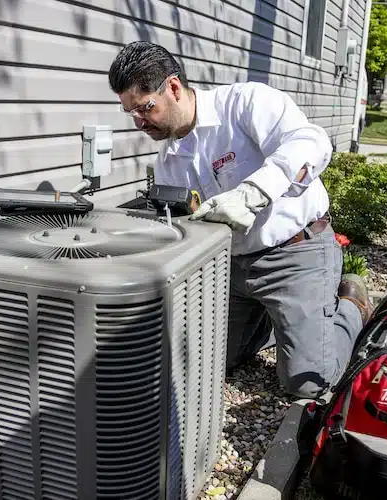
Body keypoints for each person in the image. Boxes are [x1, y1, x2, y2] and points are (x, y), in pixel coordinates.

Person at [107, 41, 373, 400]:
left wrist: (253, 193)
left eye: (145, 108)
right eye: (131, 112)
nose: (139, 122)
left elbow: (311, 143)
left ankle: (352, 307)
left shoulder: (246, 103)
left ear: (173, 87)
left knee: (309, 383)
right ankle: (280, 320)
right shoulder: (169, 160)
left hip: (295, 253)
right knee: (203, 361)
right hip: (232, 268)